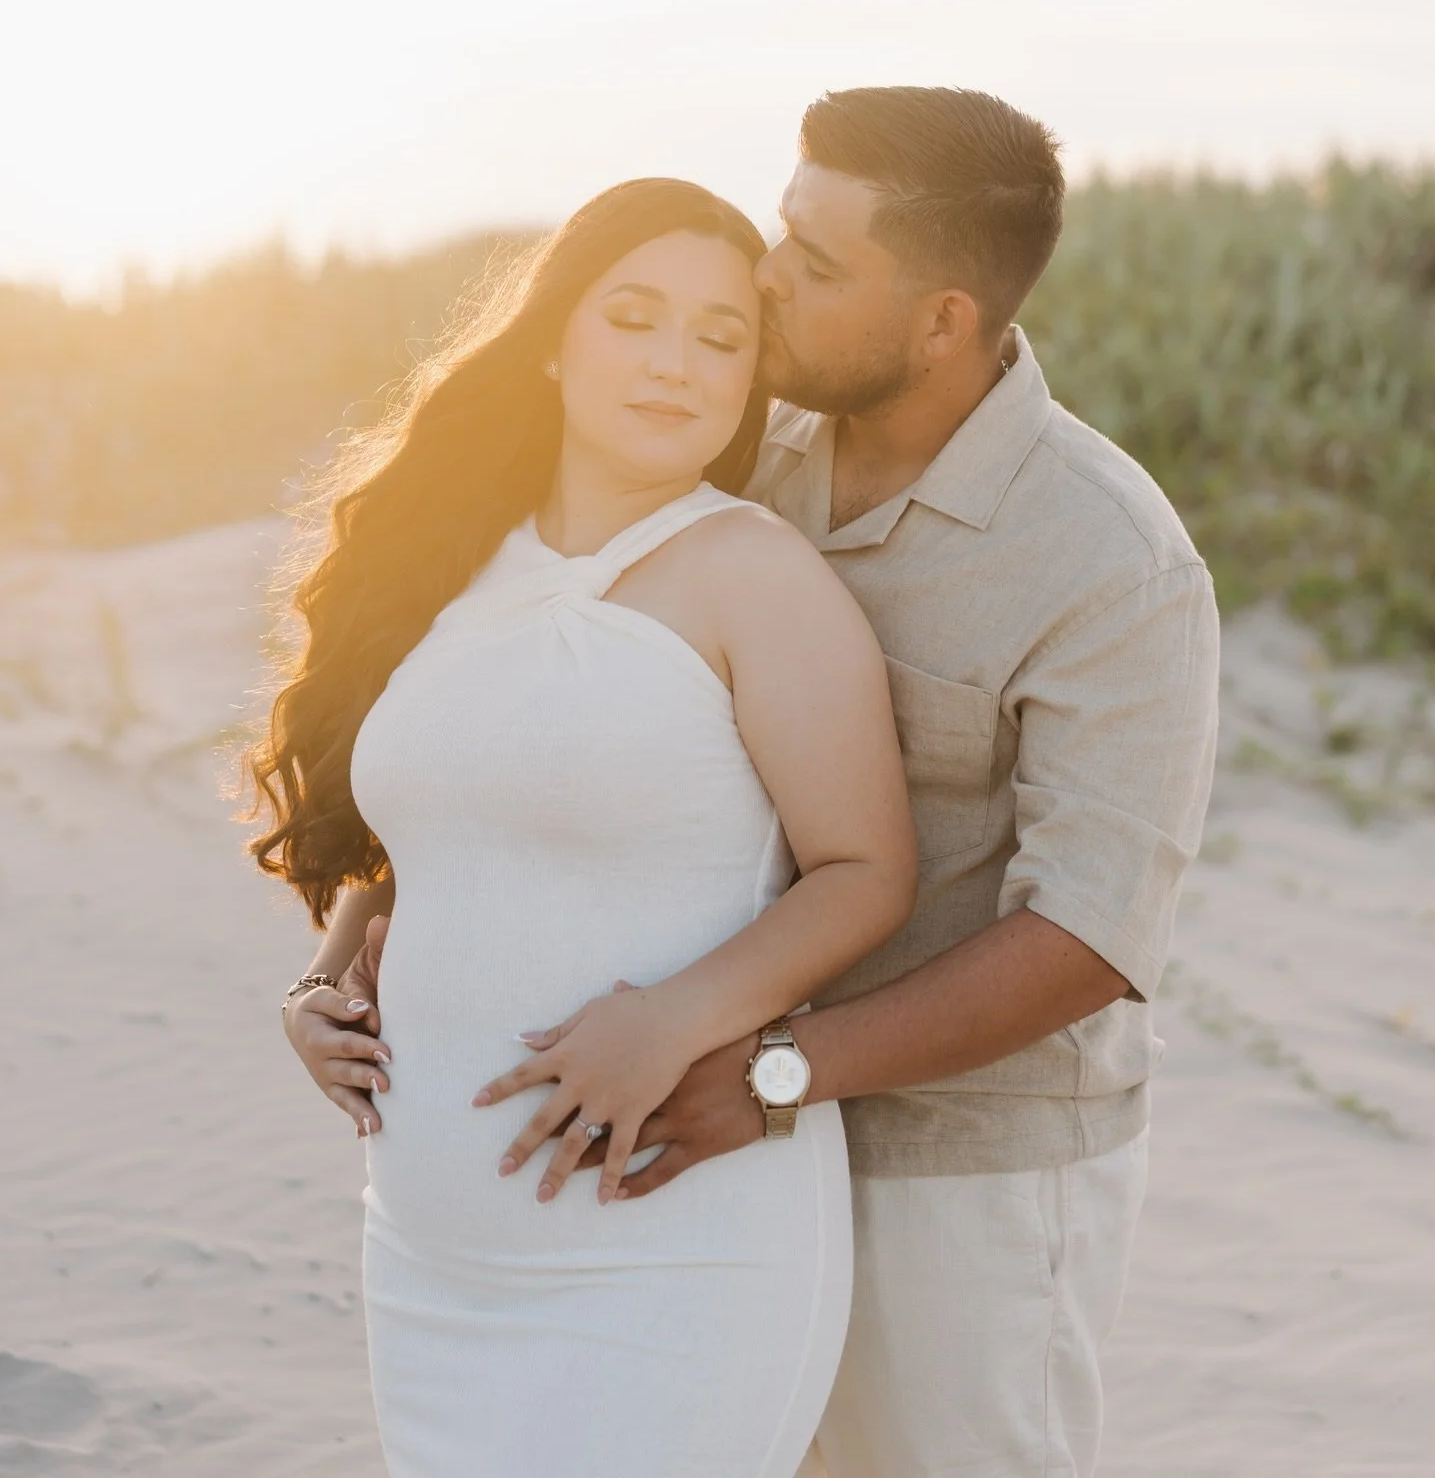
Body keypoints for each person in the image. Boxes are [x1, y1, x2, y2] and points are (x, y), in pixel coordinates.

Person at [294, 86, 1222, 1478]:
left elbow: (1089, 937)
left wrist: (774, 1074)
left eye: (816, 266)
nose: (764, 282)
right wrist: (354, 950)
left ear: (943, 320)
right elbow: (538, 744)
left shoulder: (1107, 559)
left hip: (955, 1161)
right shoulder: (735, 449)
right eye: (784, 234)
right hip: (676, 1133)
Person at [250, 178, 919, 1478]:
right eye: (636, 317)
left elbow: (866, 873)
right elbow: (426, 839)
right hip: (431, 1260)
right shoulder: (449, 567)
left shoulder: (754, 573)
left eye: (722, 339)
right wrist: (322, 983)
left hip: (672, 1253)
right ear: (556, 338)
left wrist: (676, 1018)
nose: (676, 363)